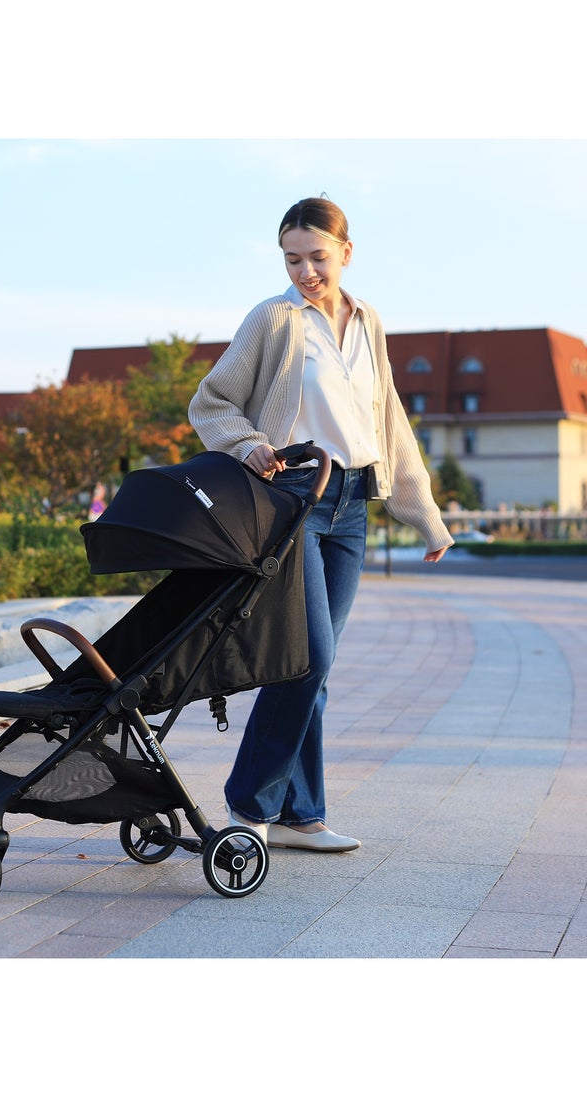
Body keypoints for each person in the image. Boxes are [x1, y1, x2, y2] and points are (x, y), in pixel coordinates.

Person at [188, 195, 454, 852]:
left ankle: (301, 814)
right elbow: (211, 401)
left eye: (318, 258)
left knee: (313, 666)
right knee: (310, 655)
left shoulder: (369, 322)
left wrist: (426, 517)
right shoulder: (275, 319)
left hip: (354, 505)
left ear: (346, 252)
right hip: (297, 499)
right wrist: (247, 443)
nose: (306, 272)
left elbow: (387, 420)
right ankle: (250, 805)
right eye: (293, 259)